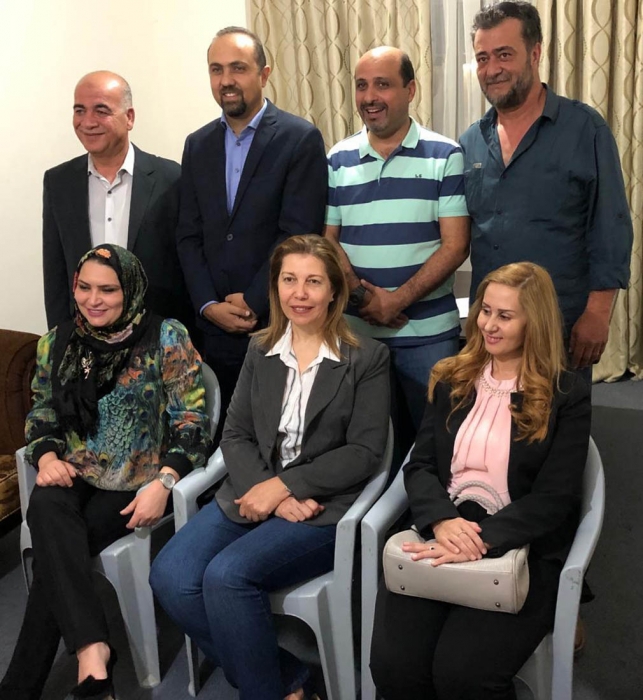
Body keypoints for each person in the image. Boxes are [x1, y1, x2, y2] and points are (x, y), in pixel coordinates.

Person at [150, 235, 390, 700]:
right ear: (275, 287)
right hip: (252, 492)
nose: (299, 293)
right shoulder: (260, 349)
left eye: (313, 282)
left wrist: (283, 486)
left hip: (321, 506)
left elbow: (363, 451)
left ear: (334, 291)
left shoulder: (367, 357)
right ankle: (287, 682)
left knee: (227, 577)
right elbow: (235, 435)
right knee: (171, 577)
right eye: (289, 280)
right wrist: (268, 491)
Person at [370, 262, 591, 700]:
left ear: (535, 322)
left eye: (505, 316)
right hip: (443, 528)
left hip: (521, 542)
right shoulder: (452, 377)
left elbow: (555, 496)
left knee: (463, 675)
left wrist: (481, 539)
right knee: (395, 669)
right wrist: (441, 522)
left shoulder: (565, 393)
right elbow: (421, 464)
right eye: (485, 310)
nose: (488, 324)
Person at [0, 245, 211, 700]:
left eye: (108, 290)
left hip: (138, 482)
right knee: (47, 509)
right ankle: (94, 654)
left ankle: (21, 687)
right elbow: (42, 411)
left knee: (56, 554)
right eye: (84, 287)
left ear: (130, 290)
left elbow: (193, 424)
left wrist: (165, 482)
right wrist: (47, 456)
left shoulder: (165, 337)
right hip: (73, 470)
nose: (93, 300)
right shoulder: (58, 342)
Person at [460, 1, 633, 374]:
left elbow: (610, 226)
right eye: (483, 58)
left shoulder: (585, 129)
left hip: (560, 325)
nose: (492, 69)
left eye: (504, 54)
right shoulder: (471, 142)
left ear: (535, 53)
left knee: (558, 411)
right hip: (490, 329)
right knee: (490, 411)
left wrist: (598, 313)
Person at [176, 27, 328, 424]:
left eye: (238, 68)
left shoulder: (300, 139)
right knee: (218, 436)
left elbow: (299, 235)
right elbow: (188, 234)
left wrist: (254, 300)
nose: (226, 80)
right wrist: (208, 304)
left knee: (276, 435)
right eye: (216, 69)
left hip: (275, 322)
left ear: (264, 74)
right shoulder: (197, 144)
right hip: (213, 330)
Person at [325, 46, 470, 447]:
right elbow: (328, 240)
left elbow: (456, 245)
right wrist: (361, 297)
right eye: (361, 86)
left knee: (437, 442)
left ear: (410, 90)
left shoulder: (446, 155)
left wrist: (396, 301)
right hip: (356, 333)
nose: (369, 97)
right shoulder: (337, 158)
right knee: (366, 446)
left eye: (382, 85)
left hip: (428, 334)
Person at [43, 71, 193, 333]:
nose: (88, 122)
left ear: (129, 117)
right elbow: (55, 273)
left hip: (157, 337)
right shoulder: (59, 182)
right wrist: (60, 339)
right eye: (79, 110)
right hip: (85, 338)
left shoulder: (171, 178)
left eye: (101, 111)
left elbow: (187, 264)